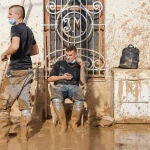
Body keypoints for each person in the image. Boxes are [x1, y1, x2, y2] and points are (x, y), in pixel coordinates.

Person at [0, 5, 39, 143]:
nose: (8, 17)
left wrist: (5, 53)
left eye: (10, 14)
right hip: (28, 71)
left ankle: (2, 140)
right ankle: (24, 138)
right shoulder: (29, 30)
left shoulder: (15, 28)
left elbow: (15, 46)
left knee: (3, 106)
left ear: (18, 15)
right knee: (25, 106)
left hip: (16, 71)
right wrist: (24, 53)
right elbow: (35, 51)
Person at [48, 45, 87, 133]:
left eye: (70, 55)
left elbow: (83, 81)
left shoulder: (78, 65)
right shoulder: (59, 63)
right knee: (56, 98)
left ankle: (73, 123)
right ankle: (63, 124)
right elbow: (50, 79)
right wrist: (62, 77)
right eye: (66, 55)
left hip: (74, 87)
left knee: (80, 98)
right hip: (60, 86)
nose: (68, 57)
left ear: (76, 55)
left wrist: (81, 66)